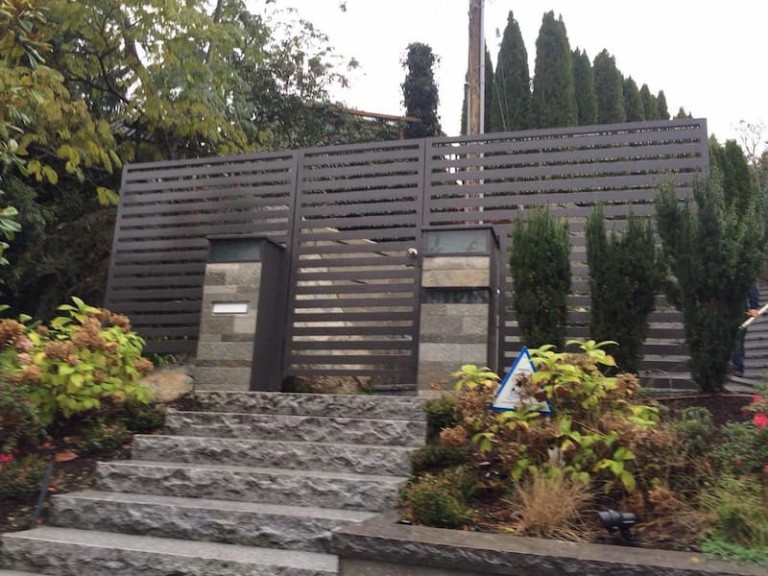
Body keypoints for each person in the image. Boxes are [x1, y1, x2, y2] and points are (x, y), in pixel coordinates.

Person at [731, 283, 760, 377]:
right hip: (724, 310)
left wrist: (753, 307)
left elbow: (752, 288)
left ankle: (737, 366)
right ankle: (735, 365)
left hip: (739, 311)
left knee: (737, 338)